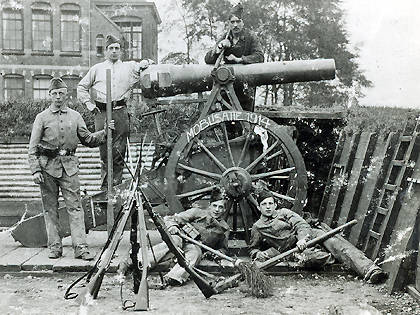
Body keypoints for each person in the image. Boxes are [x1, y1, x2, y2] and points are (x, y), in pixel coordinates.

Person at [28, 78, 115, 260]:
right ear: (49, 95)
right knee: (50, 209)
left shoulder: (75, 116)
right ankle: (54, 247)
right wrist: (36, 170)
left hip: (69, 168)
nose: (58, 97)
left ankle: (81, 248)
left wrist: (105, 131)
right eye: (54, 93)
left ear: (66, 94)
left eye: (61, 93)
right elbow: (33, 148)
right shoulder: (41, 117)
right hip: (47, 169)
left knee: (75, 208)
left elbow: (88, 139)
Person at [250, 190, 388, 283]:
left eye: (270, 203)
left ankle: (370, 269)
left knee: (336, 244)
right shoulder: (258, 227)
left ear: (275, 205)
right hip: (296, 250)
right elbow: (253, 249)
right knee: (313, 258)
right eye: (264, 204)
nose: (268, 207)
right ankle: (342, 259)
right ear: (259, 208)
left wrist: (303, 239)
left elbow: (301, 225)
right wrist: (260, 254)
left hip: (312, 235)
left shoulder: (284, 213)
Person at [77, 34, 153, 191]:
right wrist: (89, 105)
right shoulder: (97, 69)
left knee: (119, 152)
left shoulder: (129, 67)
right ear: (105, 51)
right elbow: (81, 87)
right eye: (110, 48)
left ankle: (116, 190)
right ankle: (105, 190)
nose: (114, 51)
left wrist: (147, 63)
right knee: (104, 153)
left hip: (120, 112)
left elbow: (147, 66)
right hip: (102, 112)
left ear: (121, 51)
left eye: (117, 48)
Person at [119, 188, 230, 286]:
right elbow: (172, 219)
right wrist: (173, 227)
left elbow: (223, 249)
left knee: (195, 254)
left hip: (194, 247)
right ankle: (136, 262)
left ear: (224, 210)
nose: (217, 210)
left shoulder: (224, 228)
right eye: (214, 206)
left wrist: (213, 254)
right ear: (209, 206)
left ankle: (171, 278)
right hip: (180, 238)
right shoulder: (197, 212)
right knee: (174, 243)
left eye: (220, 207)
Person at [204, 2, 264, 112]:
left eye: (238, 21)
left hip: (246, 85)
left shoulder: (250, 37)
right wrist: (219, 47)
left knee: (245, 116)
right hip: (227, 85)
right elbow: (208, 59)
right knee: (227, 117)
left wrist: (240, 59)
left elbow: (259, 56)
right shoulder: (225, 37)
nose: (235, 25)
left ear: (243, 22)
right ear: (228, 24)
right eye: (232, 22)